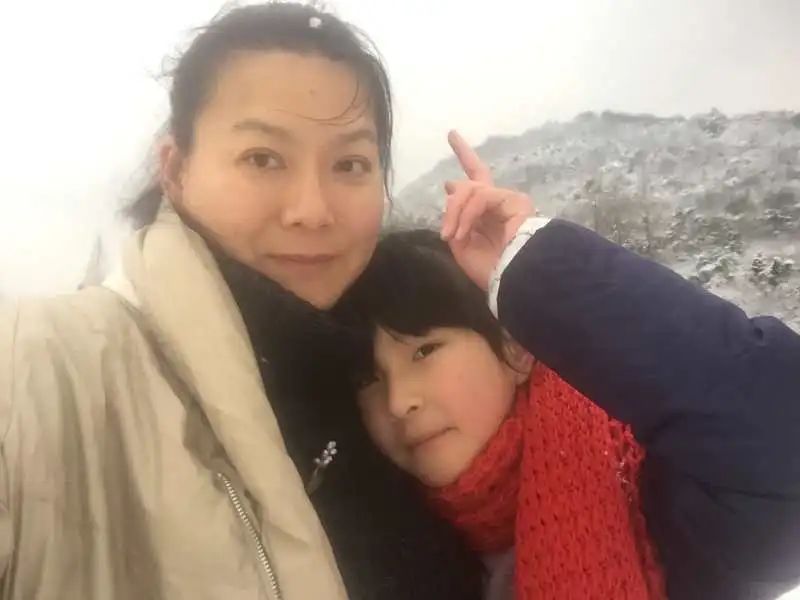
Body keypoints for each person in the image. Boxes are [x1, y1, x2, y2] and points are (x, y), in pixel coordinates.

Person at [0, 5, 483, 599]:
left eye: (350, 164)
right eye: (263, 158)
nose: (312, 210)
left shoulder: (381, 388)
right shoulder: (36, 369)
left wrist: (531, 279)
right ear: (176, 170)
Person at [343, 131, 800, 599]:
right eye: (368, 378)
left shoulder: (655, 493)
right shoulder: (355, 557)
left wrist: (536, 274)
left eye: (424, 351)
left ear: (515, 351)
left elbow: (784, 436)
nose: (398, 402)